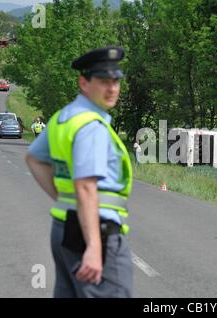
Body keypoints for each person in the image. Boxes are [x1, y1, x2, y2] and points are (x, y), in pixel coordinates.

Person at [26, 46, 134, 298]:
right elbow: (85, 187)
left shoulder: (63, 117)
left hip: (64, 228)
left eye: (116, 81)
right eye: (103, 81)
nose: (112, 89)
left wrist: (64, 199)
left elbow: (34, 159)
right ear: (83, 83)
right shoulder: (91, 126)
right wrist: (94, 247)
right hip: (95, 231)